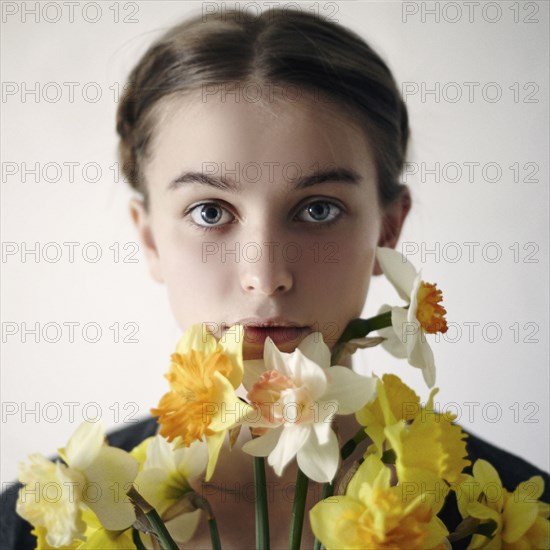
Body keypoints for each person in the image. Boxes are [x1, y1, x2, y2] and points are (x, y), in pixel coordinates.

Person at [2, 7, 548, 549]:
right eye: (210, 212)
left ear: (388, 228)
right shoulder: (26, 528)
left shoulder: (528, 522)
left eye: (318, 210)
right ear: (150, 239)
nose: (265, 278)